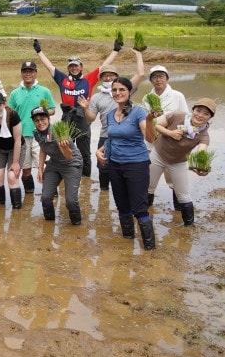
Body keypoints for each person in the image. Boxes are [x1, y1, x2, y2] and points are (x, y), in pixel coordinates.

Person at [34, 38, 121, 177]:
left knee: (85, 152)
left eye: (76, 65)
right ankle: (67, 175)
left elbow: (104, 66)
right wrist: (39, 51)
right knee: (63, 148)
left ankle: (86, 180)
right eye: (71, 66)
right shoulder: (62, 79)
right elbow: (49, 67)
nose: (74, 68)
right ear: (68, 68)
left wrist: (115, 51)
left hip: (83, 118)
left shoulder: (88, 79)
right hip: (66, 118)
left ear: (81, 66)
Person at [95, 77, 156, 250]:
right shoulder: (110, 115)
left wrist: (150, 120)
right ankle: (128, 241)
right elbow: (112, 139)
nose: (117, 93)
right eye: (114, 90)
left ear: (130, 92)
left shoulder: (139, 112)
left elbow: (150, 138)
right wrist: (100, 150)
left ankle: (149, 248)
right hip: (115, 165)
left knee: (139, 207)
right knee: (122, 204)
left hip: (137, 164)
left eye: (122, 89)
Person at [77, 48, 145, 190]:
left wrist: (138, 54)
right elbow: (90, 119)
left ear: (117, 77)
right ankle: (104, 195)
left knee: (124, 168)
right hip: (105, 137)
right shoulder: (96, 97)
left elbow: (140, 74)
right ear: (101, 79)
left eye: (111, 76)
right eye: (105, 76)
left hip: (125, 136)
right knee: (103, 169)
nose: (108, 78)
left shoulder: (124, 90)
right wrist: (85, 108)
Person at [146, 99, 215, 226]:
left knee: (183, 195)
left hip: (178, 162)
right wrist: (170, 133)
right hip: (158, 154)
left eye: (206, 114)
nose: (200, 115)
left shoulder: (203, 135)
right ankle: (144, 215)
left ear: (209, 118)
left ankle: (189, 226)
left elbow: (202, 152)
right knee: (149, 187)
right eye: (198, 110)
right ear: (193, 110)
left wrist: (202, 167)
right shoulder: (177, 115)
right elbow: (158, 126)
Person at [141, 65, 189, 209]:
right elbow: (144, 120)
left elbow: (186, 119)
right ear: (150, 80)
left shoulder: (177, 95)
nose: (158, 79)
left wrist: (180, 137)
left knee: (174, 179)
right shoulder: (146, 98)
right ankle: (146, 211)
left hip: (172, 144)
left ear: (167, 78)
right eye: (154, 77)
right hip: (152, 144)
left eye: (161, 76)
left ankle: (179, 210)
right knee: (149, 180)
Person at [7, 61, 57, 194]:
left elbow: (52, 110)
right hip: (21, 136)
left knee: (45, 165)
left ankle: (51, 192)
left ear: (35, 73)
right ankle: (29, 194)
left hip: (40, 134)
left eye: (31, 71)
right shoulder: (15, 93)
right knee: (26, 168)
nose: (28, 74)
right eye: (25, 71)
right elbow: (10, 115)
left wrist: (42, 112)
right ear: (22, 73)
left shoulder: (44, 91)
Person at [31, 106, 83, 224]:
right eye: (37, 120)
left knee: (70, 201)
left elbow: (69, 157)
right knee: (46, 197)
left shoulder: (58, 132)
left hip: (72, 163)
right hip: (54, 163)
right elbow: (43, 149)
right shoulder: (37, 133)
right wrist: (40, 168)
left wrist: (64, 147)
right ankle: (49, 223)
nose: (40, 123)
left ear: (48, 119)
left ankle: (76, 224)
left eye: (43, 119)